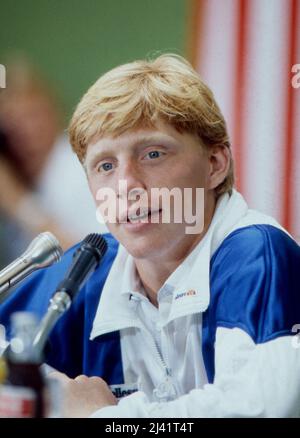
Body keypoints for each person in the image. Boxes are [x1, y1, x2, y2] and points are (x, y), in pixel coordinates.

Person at [0, 54, 300, 418]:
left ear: (214, 165)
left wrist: (103, 418)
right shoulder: (90, 269)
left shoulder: (257, 254)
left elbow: (261, 409)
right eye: (105, 166)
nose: (126, 186)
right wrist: (43, 391)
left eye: (153, 154)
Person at [0, 58, 103, 268]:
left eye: (32, 116)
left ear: (53, 110)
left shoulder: (77, 167)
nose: (26, 132)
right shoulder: (25, 180)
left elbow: (95, 260)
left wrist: (18, 204)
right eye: (12, 123)